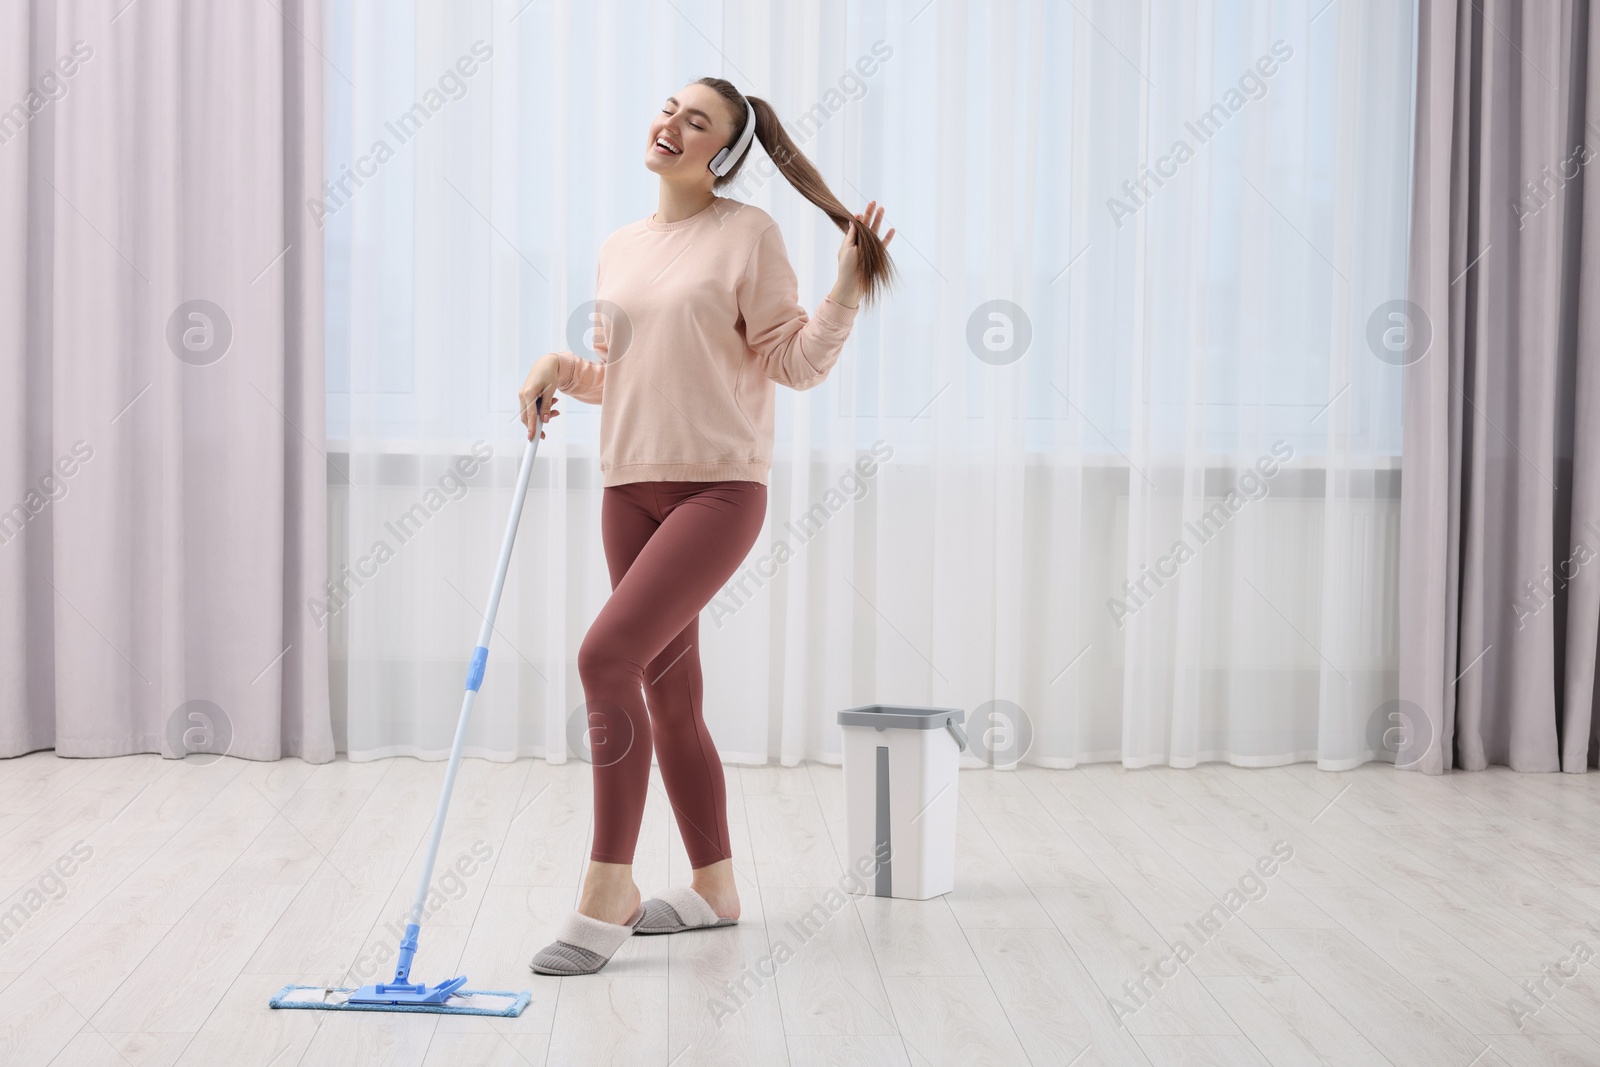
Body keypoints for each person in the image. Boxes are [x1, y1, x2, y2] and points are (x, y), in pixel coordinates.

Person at [518, 77, 895, 976]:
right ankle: (716, 887)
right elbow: (627, 375)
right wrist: (557, 369)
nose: (671, 125)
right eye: (667, 108)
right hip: (628, 487)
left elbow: (792, 363)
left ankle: (609, 883)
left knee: (604, 658)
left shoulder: (747, 235)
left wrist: (844, 288)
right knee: (667, 697)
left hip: (717, 492)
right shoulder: (620, 246)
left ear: (723, 151)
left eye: (698, 120)